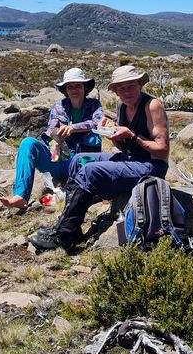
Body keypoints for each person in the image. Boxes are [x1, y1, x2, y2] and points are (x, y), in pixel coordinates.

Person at [29, 65, 169, 251]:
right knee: (79, 160)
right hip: (130, 159)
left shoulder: (152, 106)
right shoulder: (122, 105)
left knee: (90, 170)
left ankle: (62, 236)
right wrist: (112, 135)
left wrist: (132, 135)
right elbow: (123, 146)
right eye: (121, 88)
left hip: (152, 166)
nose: (126, 91)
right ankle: (72, 226)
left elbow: (162, 151)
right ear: (116, 91)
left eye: (131, 86)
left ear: (139, 85)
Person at [0, 68, 104, 209]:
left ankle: (73, 190)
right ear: (66, 90)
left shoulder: (94, 105)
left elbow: (98, 122)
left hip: (81, 161)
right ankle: (21, 196)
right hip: (60, 157)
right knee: (28, 143)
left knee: (93, 140)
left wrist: (74, 128)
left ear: (85, 88)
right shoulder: (59, 106)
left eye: (78, 86)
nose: (74, 90)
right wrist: (56, 137)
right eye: (70, 86)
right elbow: (51, 130)